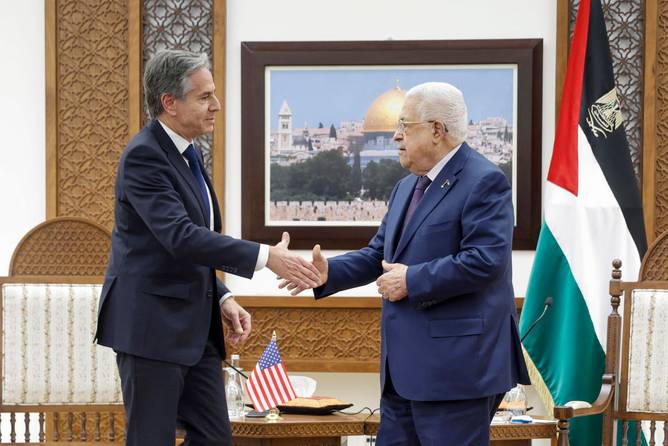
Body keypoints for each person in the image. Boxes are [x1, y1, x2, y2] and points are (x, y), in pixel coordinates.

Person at [282, 82, 530, 445]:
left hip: (456, 372)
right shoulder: (406, 187)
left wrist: (413, 280)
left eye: (404, 125)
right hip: (402, 373)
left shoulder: (484, 180)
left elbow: (486, 260)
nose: (396, 135)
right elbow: (379, 255)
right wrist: (327, 273)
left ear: (436, 130)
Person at [95, 49, 320, 446]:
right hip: (151, 328)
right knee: (152, 439)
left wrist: (221, 297)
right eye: (204, 97)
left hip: (195, 329)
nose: (216, 105)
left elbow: (189, 247)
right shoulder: (145, 156)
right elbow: (179, 237)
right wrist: (267, 257)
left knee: (215, 438)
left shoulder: (187, 152)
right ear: (170, 103)